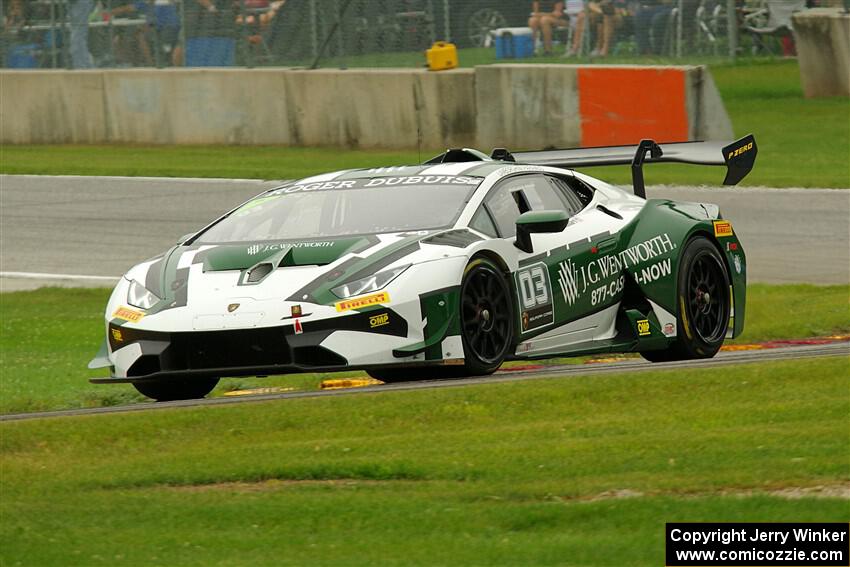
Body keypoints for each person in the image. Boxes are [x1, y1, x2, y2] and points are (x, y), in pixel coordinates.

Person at [68, 0, 94, 68]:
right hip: (74, 3)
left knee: (77, 37)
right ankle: (86, 67)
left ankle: (83, 67)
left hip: (80, 3)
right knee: (76, 37)